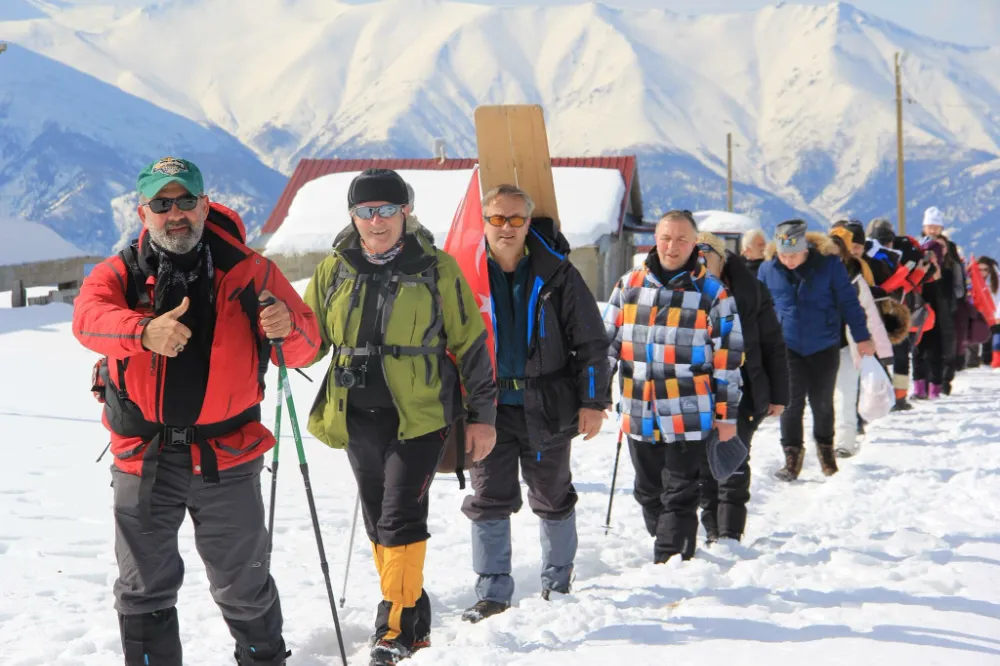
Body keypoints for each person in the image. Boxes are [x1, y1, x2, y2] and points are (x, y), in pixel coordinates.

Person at [73, 157, 320, 666]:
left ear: (206, 205)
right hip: (145, 456)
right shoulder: (120, 272)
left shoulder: (250, 270)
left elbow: (305, 348)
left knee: (244, 583)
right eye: (162, 204)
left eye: (186, 200)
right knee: (143, 589)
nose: (175, 213)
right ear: (143, 213)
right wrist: (143, 332)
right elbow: (87, 320)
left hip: (226, 457)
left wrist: (285, 327)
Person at [301, 168, 497, 666]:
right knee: (379, 523)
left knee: (400, 517)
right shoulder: (334, 269)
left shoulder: (436, 267)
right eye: (366, 211)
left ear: (405, 211)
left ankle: (395, 629)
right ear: (353, 216)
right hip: (355, 416)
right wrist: (280, 335)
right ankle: (414, 613)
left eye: (387, 209)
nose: (376, 220)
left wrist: (483, 416)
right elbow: (311, 340)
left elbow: (471, 345)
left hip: (421, 416)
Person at [459, 184, 610, 623]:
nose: (506, 228)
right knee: (488, 497)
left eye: (515, 219)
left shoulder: (557, 273)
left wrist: (594, 401)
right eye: (497, 219)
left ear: (528, 223)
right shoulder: (465, 274)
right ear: (483, 222)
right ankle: (491, 594)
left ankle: (558, 584)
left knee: (553, 495)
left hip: (547, 404)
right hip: (485, 408)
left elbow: (591, 342)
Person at [603, 210, 744, 563]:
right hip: (638, 410)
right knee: (648, 491)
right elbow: (605, 344)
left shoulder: (713, 292)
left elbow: (728, 358)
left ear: (694, 244)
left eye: (682, 239)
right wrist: (595, 395)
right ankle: (674, 544)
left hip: (689, 412)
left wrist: (727, 415)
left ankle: (670, 561)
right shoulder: (629, 284)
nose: (672, 245)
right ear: (655, 239)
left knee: (680, 492)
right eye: (666, 237)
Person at [757, 220, 874, 480]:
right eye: (783, 255)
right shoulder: (767, 269)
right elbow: (759, 309)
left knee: (822, 403)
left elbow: (849, 303)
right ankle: (791, 459)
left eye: (793, 255)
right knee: (790, 403)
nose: (787, 261)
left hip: (823, 344)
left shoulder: (829, 265)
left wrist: (862, 337)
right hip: (786, 346)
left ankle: (826, 454)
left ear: (806, 250)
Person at [696, 232, 787, 543]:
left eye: (708, 260)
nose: (702, 267)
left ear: (723, 261)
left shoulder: (751, 290)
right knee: (704, 464)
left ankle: (730, 534)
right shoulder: (684, 290)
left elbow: (773, 343)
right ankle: (711, 531)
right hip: (695, 389)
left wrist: (779, 394)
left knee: (733, 457)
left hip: (744, 388)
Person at [826, 234, 893, 459]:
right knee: (822, 399)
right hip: (817, 349)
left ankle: (844, 442)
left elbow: (871, 316)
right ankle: (825, 439)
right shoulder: (810, 279)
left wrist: (882, 351)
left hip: (847, 347)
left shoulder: (855, 280)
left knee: (845, 395)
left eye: (835, 254)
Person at [912, 237, 957, 400]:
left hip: (938, 319)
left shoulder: (947, 273)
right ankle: (919, 389)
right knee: (917, 353)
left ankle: (935, 390)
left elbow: (947, 297)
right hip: (919, 318)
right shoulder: (920, 271)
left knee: (935, 355)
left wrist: (937, 277)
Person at [976, 257, 1000, 369]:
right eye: (979, 269)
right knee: (985, 340)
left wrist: (997, 315)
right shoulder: (974, 280)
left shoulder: (996, 280)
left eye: (985, 269)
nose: (982, 272)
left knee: (995, 341)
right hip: (982, 315)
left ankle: (994, 361)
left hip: (995, 316)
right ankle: (985, 362)